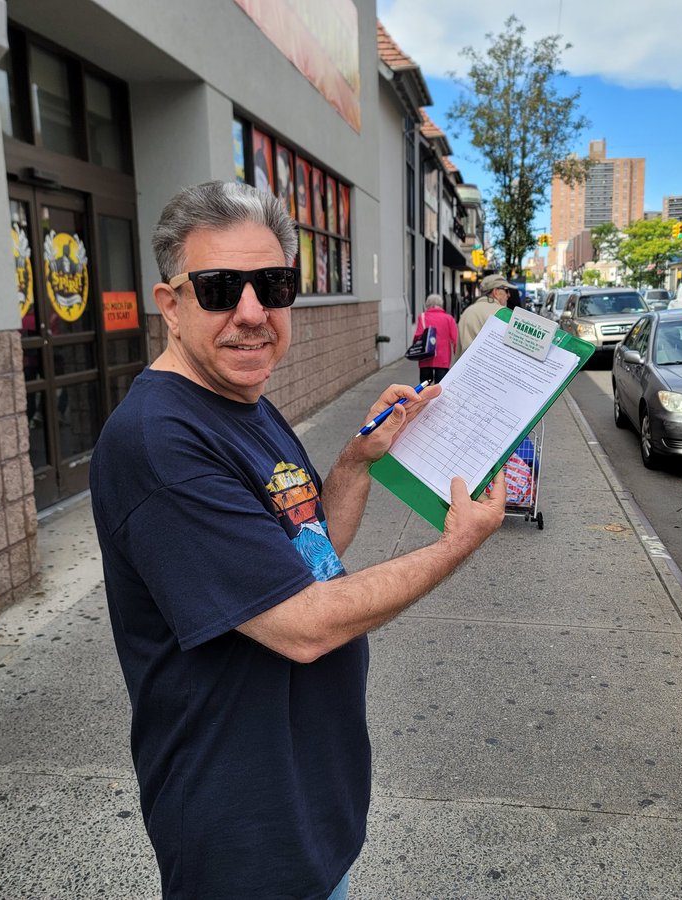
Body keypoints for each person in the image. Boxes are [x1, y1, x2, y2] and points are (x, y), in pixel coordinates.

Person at [89, 181, 507, 900]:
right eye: (219, 288)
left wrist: (354, 462)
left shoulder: (242, 399)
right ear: (171, 304)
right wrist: (454, 545)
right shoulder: (159, 442)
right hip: (244, 832)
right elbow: (303, 626)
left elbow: (309, 558)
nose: (251, 314)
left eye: (273, 285)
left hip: (305, 801)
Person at [458, 273, 513, 353]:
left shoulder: (467, 312)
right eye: (506, 290)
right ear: (496, 292)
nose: (509, 295)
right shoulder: (504, 313)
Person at [414, 293, 458, 384]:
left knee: (424, 387)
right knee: (440, 387)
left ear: (427, 304)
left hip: (426, 355)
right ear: (441, 304)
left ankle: (423, 399)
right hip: (443, 357)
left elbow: (418, 335)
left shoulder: (422, 317)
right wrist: (457, 355)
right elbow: (455, 339)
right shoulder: (448, 318)